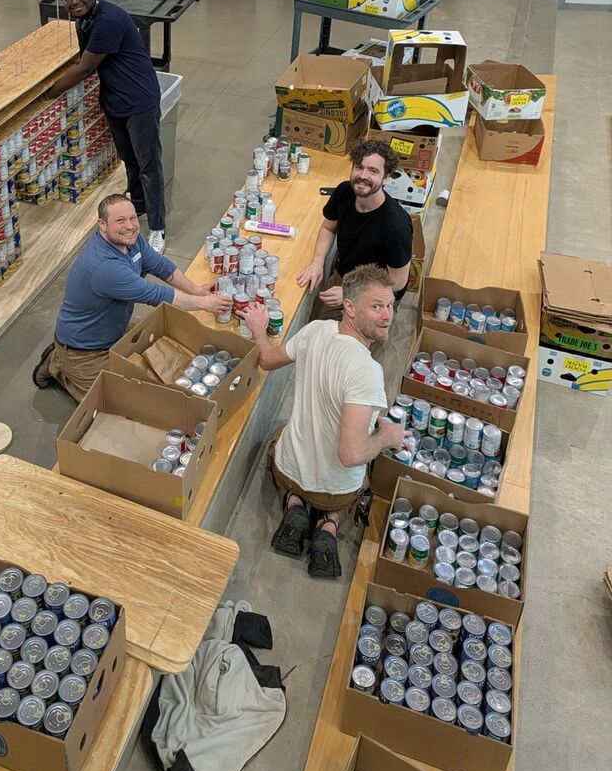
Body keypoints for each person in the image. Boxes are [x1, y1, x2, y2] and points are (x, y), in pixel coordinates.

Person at [241, 265, 409, 578]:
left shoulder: (315, 330)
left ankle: (292, 504)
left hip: (290, 471)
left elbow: (266, 359)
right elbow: (351, 454)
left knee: (279, 435)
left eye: (390, 306)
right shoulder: (366, 371)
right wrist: (387, 436)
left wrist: (259, 330)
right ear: (349, 307)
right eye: (376, 307)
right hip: (335, 491)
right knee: (362, 472)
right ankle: (329, 525)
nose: (387, 315)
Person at [33, 193, 231, 401]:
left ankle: (67, 361)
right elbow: (155, 294)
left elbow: (160, 266)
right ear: (102, 224)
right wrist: (204, 304)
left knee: (161, 344)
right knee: (120, 403)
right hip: (85, 351)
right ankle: (60, 365)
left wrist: (196, 291)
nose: (130, 226)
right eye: (120, 220)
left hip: (116, 330)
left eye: (133, 218)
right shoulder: (105, 267)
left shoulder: (131, 241)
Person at [45, 0, 168, 253]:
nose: (74, 1)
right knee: (129, 158)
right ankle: (137, 205)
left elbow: (86, 67)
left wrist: (48, 94)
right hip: (114, 100)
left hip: (139, 101)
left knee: (149, 165)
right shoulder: (84, 20)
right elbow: (86, 58)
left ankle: (159, 227)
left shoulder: (109, 20)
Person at [296, 139, 413, 319]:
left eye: (373, 171)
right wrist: (317, 262)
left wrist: (352, 295)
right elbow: (328, 228)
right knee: (315, 329)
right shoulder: (344, 192)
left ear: (386, 178)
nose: (363, 175)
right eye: (359, 167)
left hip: (379, 291)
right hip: (346, 275)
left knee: (349, 344)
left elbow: (397, 283)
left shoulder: (396, 226)